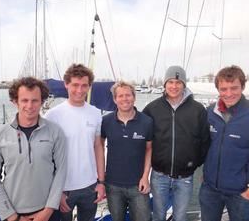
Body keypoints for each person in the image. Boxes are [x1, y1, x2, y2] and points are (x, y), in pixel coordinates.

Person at [0, 77, 67, 221]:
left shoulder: (55, 132)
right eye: (24, 100)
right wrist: (12, 216)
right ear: (15, 102)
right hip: (13, 214)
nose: (30, 105)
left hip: (49, 213)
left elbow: (61, 172)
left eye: (35, 100)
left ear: (42, 101)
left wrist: (47, 211)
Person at [199, 65, 249, 221]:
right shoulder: (210, 112)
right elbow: (205, 145)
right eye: (223, 89)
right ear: (218, 89)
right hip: (210, 189)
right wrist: (206, 173)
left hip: (241, 193)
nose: (229, 94)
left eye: (234, 88)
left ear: (243, 86)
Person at [143, 66, 210, 221]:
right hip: (159, 175)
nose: (174, 86)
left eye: (178, 82)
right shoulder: (152, 108)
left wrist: (194, 163)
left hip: (185, 176)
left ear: (184, 85)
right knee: (158, 215)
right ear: (165, 84)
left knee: (180, 217)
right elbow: (144, 138)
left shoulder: (198, 110)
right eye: (170, 82)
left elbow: (204, 141)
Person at [44, 64, 105, 221]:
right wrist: (56, 192)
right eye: (75, 85)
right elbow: (46, 156)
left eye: (84, 85)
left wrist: (101, 182)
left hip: (90, 186)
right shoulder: (52, 115)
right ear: (66, 84)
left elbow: (98, 147)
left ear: (89, 86)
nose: (80, 90)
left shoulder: (96, 113)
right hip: (64, 189)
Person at [101, 81, 153, 221]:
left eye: (128, 95)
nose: (125, 99)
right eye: (120, 96)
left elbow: (149, 149)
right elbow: (98, 148)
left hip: (138, 185)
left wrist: (145, 177)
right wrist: (100, 177)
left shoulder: (147, 122)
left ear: (134, 97)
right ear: (114, 99)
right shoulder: (105, 121)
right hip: (113, 186)